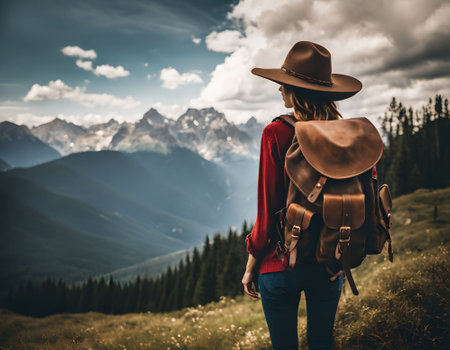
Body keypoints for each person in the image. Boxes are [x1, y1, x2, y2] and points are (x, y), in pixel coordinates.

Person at [241, 41, 363, 350]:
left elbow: (267, 211)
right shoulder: (348, 136)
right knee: (322, 342)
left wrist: (252, 264)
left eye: (285, 84)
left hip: (281, 263)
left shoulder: (277, 133)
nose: (280, 90)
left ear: (297, 90)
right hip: (329, 259)